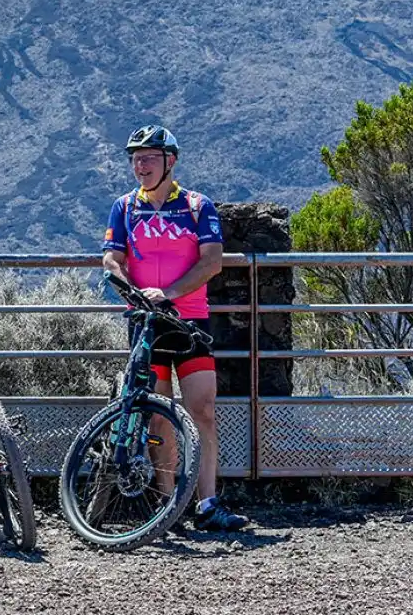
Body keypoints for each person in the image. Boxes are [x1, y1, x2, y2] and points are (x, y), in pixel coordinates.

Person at [102, 125, 249, 532]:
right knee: (158, 417)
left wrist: (168, 293)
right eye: (135, 159)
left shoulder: (197, 206)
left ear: (171, 161)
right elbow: (112, 259)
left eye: (149, 158)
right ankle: (166, 505)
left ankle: (208, 503)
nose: (140, 166)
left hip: (189, 320)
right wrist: (134, 294)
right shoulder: (124, 207)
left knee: (203, 410)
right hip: (147, 324)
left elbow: (212, 262)